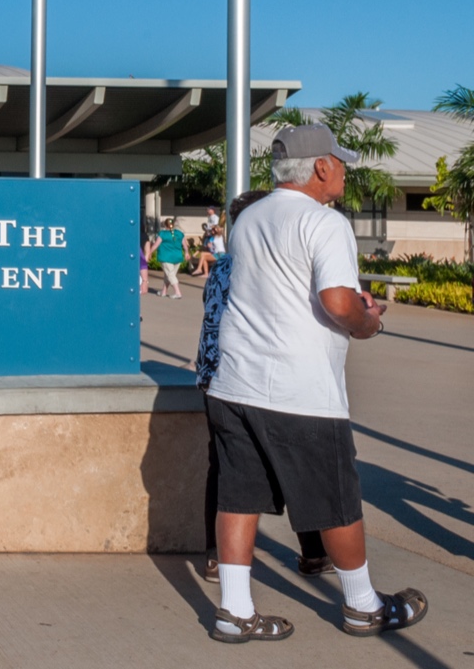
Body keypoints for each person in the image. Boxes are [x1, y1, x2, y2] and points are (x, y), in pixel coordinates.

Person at [204, 124, 428, 642]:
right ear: (321, 167)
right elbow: (335, 301)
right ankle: (363, 606)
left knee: (238, 496)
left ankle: (234, 612)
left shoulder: (249, 219)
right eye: (340, 162)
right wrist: (367, 319)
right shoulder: (324, 223)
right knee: (337, 500)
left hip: (235, 382)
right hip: (298, 388)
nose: (345, 170)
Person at [196, 189, 332, 585]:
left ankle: (215, 557)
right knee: (293, 463)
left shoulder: (222, 266)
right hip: (259, 378)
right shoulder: (267, 269)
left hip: (213, 378)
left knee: (222, 468)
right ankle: (312, 553)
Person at [151, 217, 186, 298]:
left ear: (164, 225)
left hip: (166, 257)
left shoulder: (162, 234)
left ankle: (178, 292)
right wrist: (187, 253)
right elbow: (185, 245)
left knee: (170, 275)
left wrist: (149, 253)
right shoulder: (180, 233)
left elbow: (156, 245)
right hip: (177, 257)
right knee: (169, 275)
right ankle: (164, 291)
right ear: (173, 224)